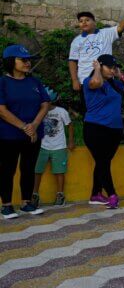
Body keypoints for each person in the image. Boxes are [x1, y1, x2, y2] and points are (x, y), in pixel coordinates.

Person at [0, 45, 49, 219]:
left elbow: (45, 104)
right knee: (7, 169)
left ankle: (26, 203)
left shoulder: (34, 82)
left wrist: (34, 125)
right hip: (8, 135)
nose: (28, 63)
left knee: (28, 168)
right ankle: (6, 205)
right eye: (23, 60)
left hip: (34, 135)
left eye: (29, 60)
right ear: (11, 61)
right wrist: (24, 127)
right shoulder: (3, 82)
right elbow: (2, 110)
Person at [84, 54, 124, 209]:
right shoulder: (90, 81)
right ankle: (112, 194)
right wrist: (97, 70)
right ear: (100, 66)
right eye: (110, 67)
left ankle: (95, 194)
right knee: (103, 162)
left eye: (114, 67)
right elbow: (96, 82)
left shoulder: (114, 84)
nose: (113, 70)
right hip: (95, 128)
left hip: (114, 130)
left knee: (102, 163)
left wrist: (120, 75)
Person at [68, 10, 124, 102]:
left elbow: (120, 27)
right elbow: (72, 61)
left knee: (109, 103)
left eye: (87, 20)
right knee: (88, 108)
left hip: (106, 78)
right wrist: (75, 80)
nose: (84, 22)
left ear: (94, 22)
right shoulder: (77, 41)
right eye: (81, 21)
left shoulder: (106, 33)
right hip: (85, 79)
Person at [33, 89, 74, 206]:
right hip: (42, 146)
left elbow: (70, 126)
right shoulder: (38, 111)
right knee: (37, 171)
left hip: (59, 146)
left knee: (59, 172)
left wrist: (70, 141)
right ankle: (34, 194)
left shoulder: (61, 112)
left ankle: (60, 195)